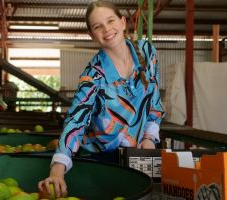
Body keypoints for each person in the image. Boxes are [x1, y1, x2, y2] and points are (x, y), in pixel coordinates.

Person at [38, 0, 165, 198]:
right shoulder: (93, 76)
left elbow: (154, 101)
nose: (106, 29)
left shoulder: (147, 52)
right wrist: (57, 171)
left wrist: (149, 139)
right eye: (98, 26)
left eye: (110, 21)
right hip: (102, 160)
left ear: (123, 22)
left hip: (139, 155)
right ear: (92, 35)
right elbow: (75, 121)